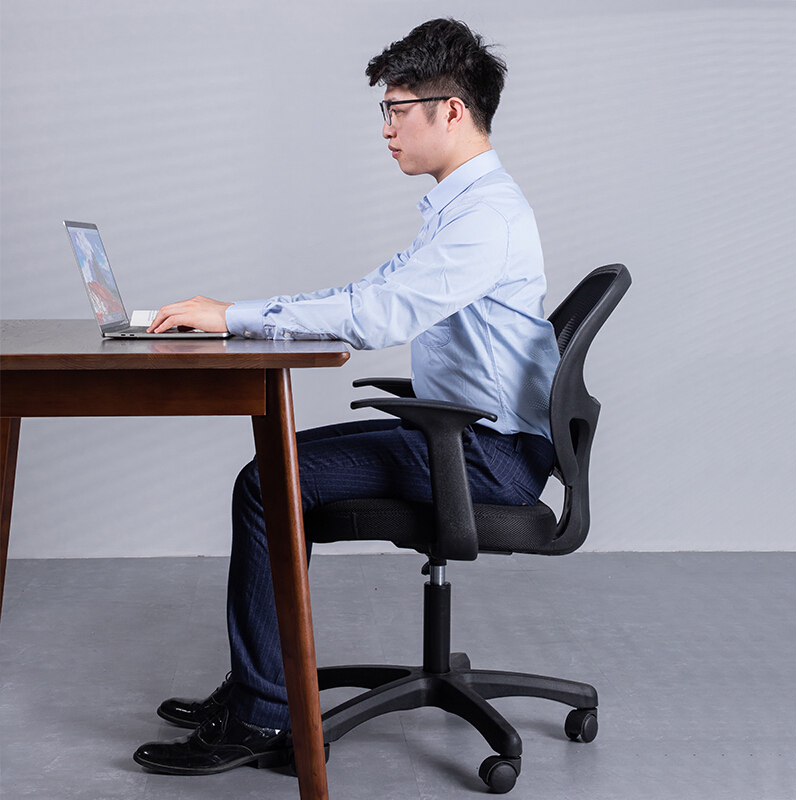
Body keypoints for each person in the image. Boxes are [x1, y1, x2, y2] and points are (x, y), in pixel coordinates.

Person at [133, 17, 561, 776]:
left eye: (398, 110)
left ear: (451, 110)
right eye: (384, 111)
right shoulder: (462, 209)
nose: (386, 129)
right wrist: (237, 313)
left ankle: (262, 716)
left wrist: (234, 317)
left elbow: (374, 318)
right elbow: (367, 293)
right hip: (470, 438)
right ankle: (260, 692)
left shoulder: (484, 221)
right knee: (273, 473)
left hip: (485, 456)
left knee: (267, 482)